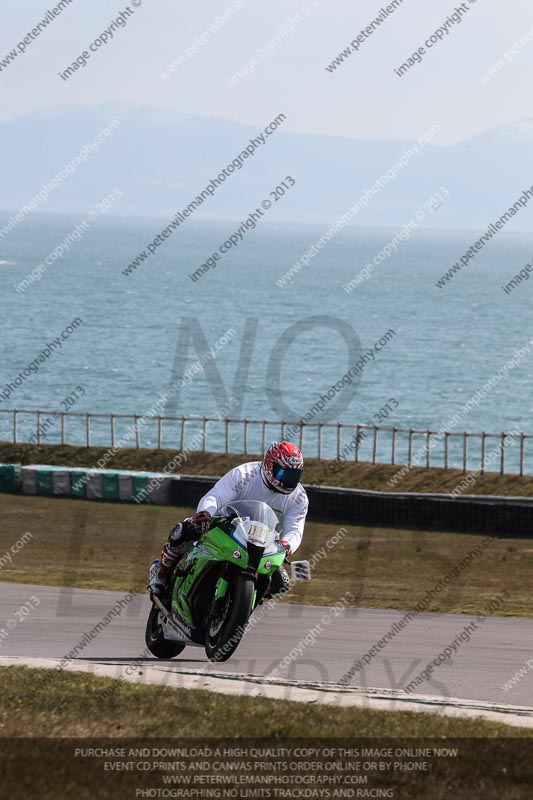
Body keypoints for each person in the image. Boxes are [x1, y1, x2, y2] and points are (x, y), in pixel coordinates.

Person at [149, 441, 308, 597]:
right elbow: (215, 496)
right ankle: (161, 574)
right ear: (268, 466)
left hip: (263, 543)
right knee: (183, 531)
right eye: (283, 473)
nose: (288, 480)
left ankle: (242, 607)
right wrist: (205, 513)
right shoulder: (244, 474)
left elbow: (294, 529)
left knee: (281, 582)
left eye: (294, 475)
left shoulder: (298, 498)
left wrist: (287, 545)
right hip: (226, 527)